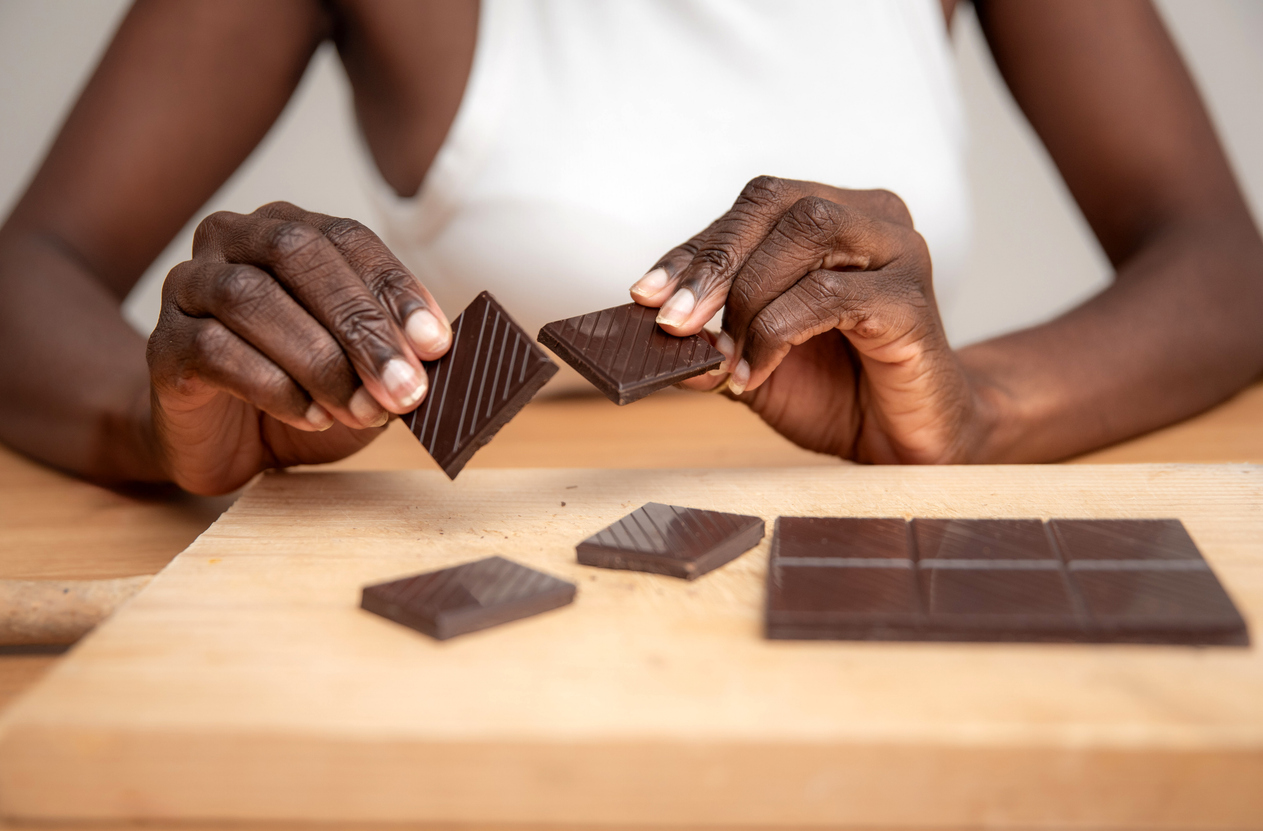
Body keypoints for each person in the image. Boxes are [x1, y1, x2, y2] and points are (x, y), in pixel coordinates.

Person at [0, 0, 1259, 496]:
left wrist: (978, 406)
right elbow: (28, 268)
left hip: (864, 535)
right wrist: (155, 418)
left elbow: (1224, 265)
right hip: (464, 562)